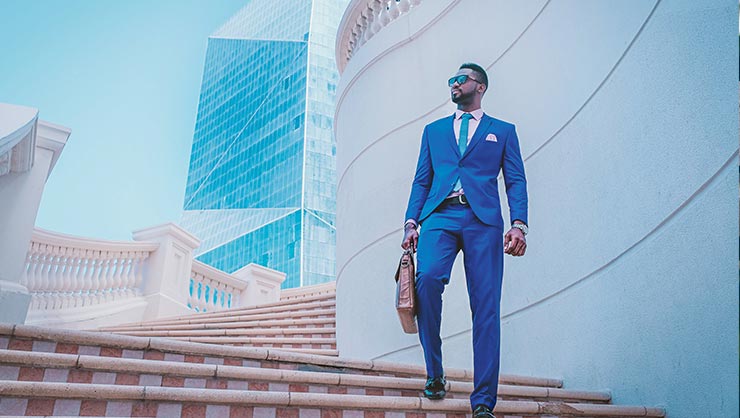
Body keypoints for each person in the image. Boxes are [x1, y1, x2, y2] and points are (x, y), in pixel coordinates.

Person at [401, 62, 528, 418]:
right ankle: (435, 372)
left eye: (461, 79)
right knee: (426, 281)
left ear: (480, 87)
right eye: (451, 80)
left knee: (485, 306)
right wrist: (411, 221)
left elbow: (515, 180)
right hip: (439, 216)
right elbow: (421, 180)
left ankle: (484, 401)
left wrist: (519, 224)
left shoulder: (502, 131)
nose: (454, 84)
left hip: (483, 221)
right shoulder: (434, 131)